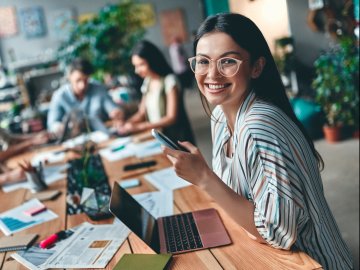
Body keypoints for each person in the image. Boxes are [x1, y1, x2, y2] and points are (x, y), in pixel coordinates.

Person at [163, 13, 353, 269]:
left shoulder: (259, 125)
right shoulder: (220, 116)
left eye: (228, 61)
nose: (212, 75)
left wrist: (204, 178)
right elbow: (242, 206)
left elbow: (277, 233)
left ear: (256, 67)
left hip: (308, 263)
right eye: (203, 61)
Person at [117, 40, 195, 144]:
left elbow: (171, 117)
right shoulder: (147, 82)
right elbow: (141, 112)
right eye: (135, 66)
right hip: (160, 138)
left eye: (141, 65)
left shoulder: (170, 81)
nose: (137, 70)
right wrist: (126, 124)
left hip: (176, 139)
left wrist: (139, 126)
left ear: (152, 61)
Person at [47, 58, 124, 136]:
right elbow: (52, 124)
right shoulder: (59, 96)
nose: (82, 86)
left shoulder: (98, 88)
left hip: (102, 137)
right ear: (69, 77)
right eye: (78, 80)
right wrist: (60, 128)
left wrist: (116, 113)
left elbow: (113, 108)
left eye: (86, 80)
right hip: (74, 140)